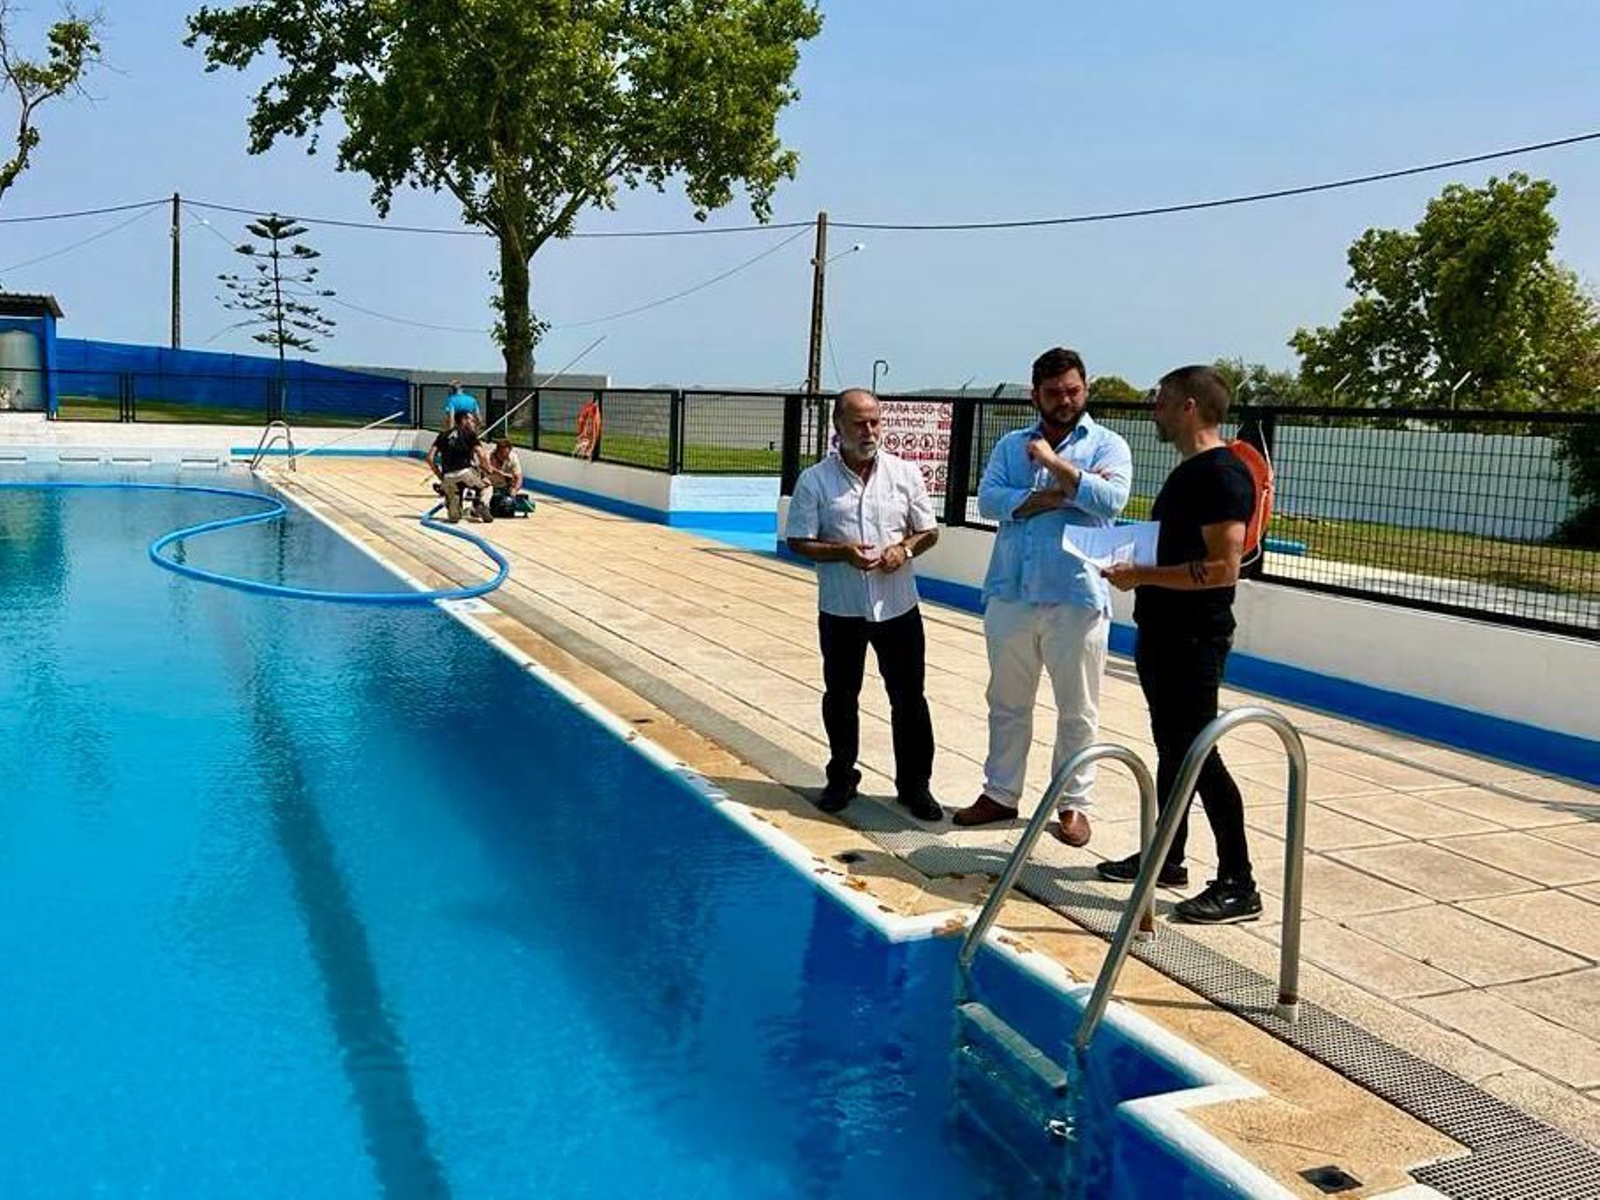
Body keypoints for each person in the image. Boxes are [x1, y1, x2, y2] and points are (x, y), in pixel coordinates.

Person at [1097, 365, 1261, 924]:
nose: (1155, 410)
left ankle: (1240, 881)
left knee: (1199, 753)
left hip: (1194, 638)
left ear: (1190, 406)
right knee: (1172, 748)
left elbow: (1222, 570)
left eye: (1161, 400)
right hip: (1164, 633)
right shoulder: (1190, 472)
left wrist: (1142, 574)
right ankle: (1167, 856)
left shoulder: (1222, 475)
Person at [952, 347, 1133, 848]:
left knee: (1077, 709)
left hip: (1075, 595)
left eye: (1072, 391)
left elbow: (1112, 500)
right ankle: (1000, 793)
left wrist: (1054, 467)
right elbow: (989, 501)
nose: (1064, 400)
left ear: (1085, 388)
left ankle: (1073, 804)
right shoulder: (1011, 446)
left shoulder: (1108, 445)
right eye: (1053, 393)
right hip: (1011, 591)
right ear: (1035, 395)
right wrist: (1057, 496)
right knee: (1007, 702)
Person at [785, 388, 943, 822]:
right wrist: (843, 553)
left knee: (909, 699)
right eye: (859, 422)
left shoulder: (904, 474)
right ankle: (841, 777)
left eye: (875, 421)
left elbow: (928, 531)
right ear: (838, 426)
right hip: (842, 610)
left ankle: (915, 786)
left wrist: (904, 550)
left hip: (898, 608)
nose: (869, 430)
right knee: (841, 697)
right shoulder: (815, 480)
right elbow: (799, 540)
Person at [427, 411, 495, 523]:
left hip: (448, 476)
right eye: (472, 420)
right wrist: (488, 469)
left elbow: (429, 458)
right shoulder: (470, 434)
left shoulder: (442, 435)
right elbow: (481, 455)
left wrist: (440, 477)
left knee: (454, 518)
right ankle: (479, 504)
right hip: (465, 472)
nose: (474, 423)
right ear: (464, 420)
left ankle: (455, 511)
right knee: (486, 485)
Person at [486, 438, 528, 517]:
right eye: (501, 454)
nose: (504, 456)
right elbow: (487, 467)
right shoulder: (488, 455)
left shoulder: (513, 457)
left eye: (506, 454)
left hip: (504, 486)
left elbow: (519, 476)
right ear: (496, 451)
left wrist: (515, 489)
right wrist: (501, 473)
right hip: (489, 484)